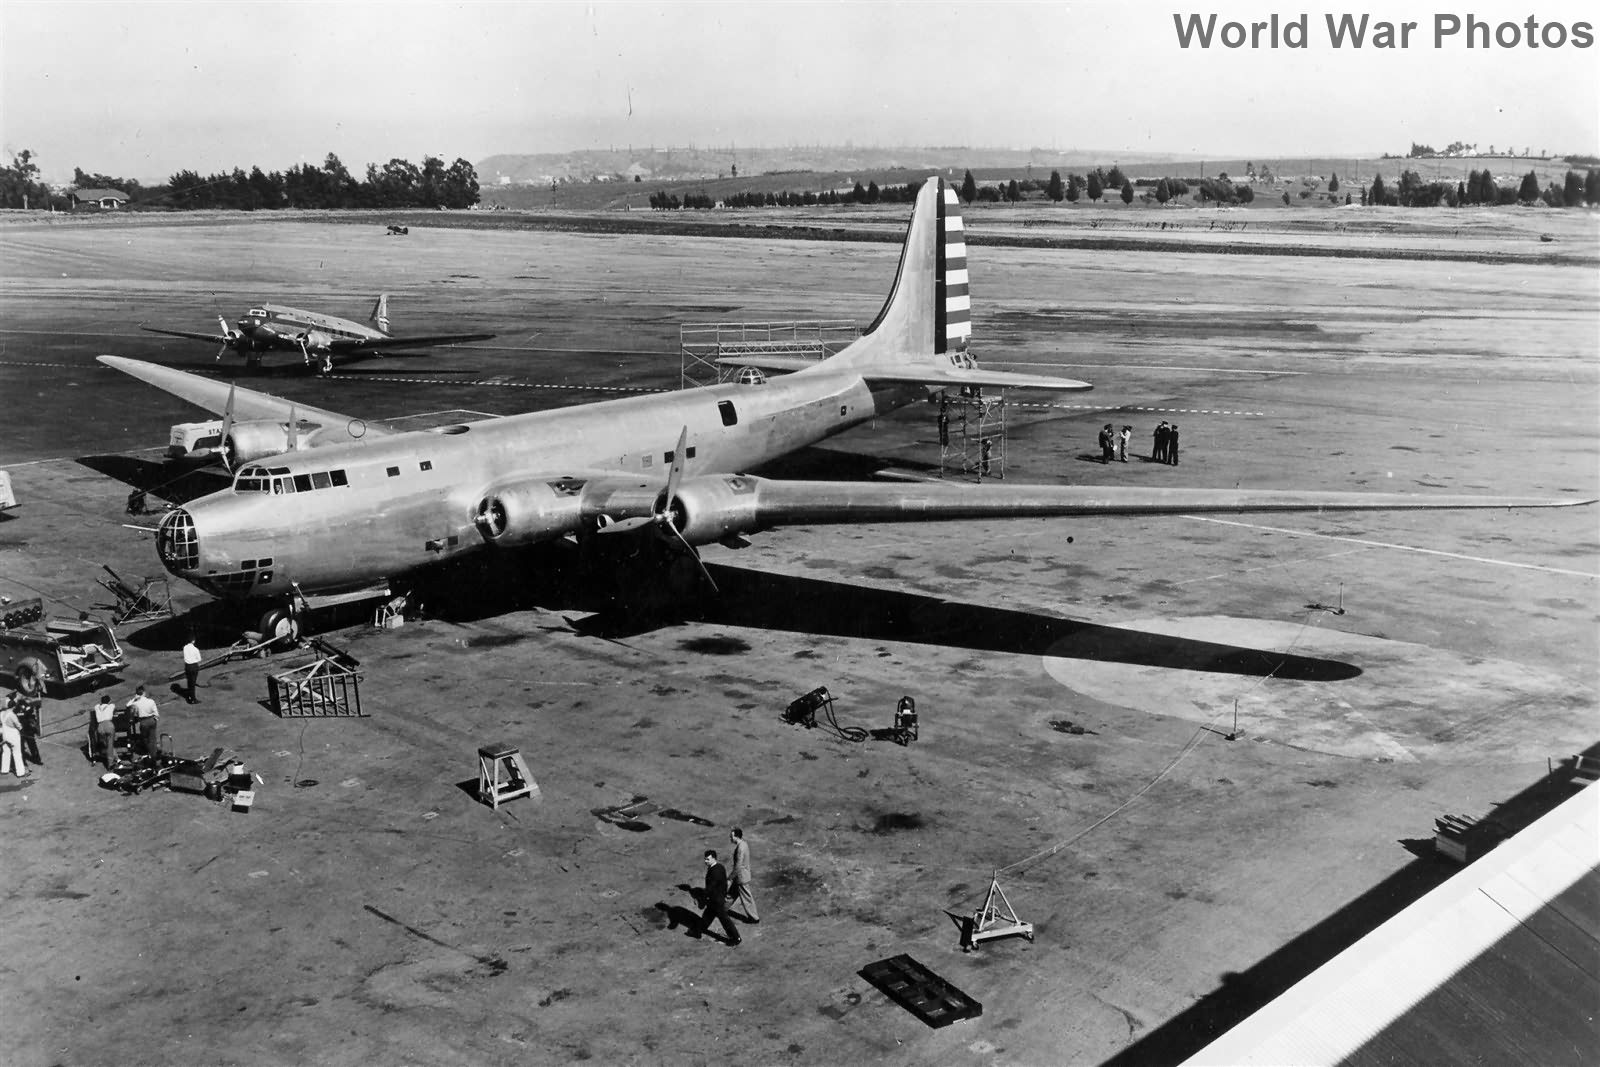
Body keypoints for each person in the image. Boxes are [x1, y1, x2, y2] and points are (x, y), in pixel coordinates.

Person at [694, 849, 741, 946]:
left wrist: (701, 897)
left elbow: (710, 887)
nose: (705, 861)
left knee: (724, 919)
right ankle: (699, 930)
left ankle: (736, 938)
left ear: (714, 858)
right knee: (708, 914)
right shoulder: (719, 867)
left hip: (716, 900)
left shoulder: (715, 871)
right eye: (705, 859)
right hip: (716, 898)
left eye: (707, 859)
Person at [727, 828, 759, 924]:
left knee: (746, 898)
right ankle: (721, 908)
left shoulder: (740, 848)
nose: (730, 838)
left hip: (741, 877)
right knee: (731, 895)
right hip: (742, 876)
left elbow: (738, 865)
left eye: (731, 836)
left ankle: (754, 918)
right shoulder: (744, 844)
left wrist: (730, 877)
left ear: (736, 836)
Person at [125, 685, 160, 761]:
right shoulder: (151, 701)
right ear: (144, 692)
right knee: (152, 738)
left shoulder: (136, 703)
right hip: (152, 719)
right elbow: (156, 712)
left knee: (145, 738)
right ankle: (154, 753)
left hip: (143, 722)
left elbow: (127, 705)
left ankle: (149, 752)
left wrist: (134, 698)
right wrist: (155, 719)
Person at [15, 688, 43, 766]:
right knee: (21, 747)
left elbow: (31, 712)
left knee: (32, 745)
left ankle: (37, 759)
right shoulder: (16, 708)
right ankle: (23, 762)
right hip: (21, 730)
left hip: (28, 729)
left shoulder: (26, 705)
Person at [90, 692, 118, 769]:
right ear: (109, 701)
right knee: (110, 745)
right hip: (108, 725)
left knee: (106, 744)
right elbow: (114, 709)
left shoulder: (97, 707)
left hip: (100, 727)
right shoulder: (111, 706)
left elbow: (96, 707)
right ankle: (110, 764)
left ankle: (117, 758)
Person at [1, 696, 26, 779]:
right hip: (13, 736)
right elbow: (19, 726)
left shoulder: (1, 713)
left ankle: (4, 769)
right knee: (17, 753)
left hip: (4, 735)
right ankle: (20, 773)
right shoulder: (12, 715)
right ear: (13, 706)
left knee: (6, 752)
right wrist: (22, 728)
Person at [182, 636, 202, 704]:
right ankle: (193, 699)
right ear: (193, 641)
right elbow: (199, 659)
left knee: (189, 681)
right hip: (193, 667)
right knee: (193, 683)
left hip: (187, 666)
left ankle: (190, 695)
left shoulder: (185, 648)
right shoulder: (195, 649)